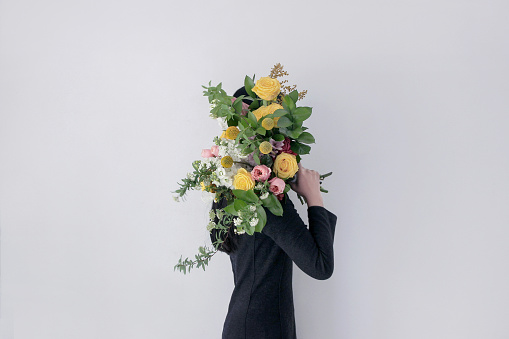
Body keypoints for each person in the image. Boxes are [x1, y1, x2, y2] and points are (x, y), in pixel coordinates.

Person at [210, 156, 338, 338]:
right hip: (263, 328)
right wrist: (314, 197)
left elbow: (218, 239)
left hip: (243, 324)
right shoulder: (266, 201)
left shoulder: (231, 190)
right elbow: (321, 266)